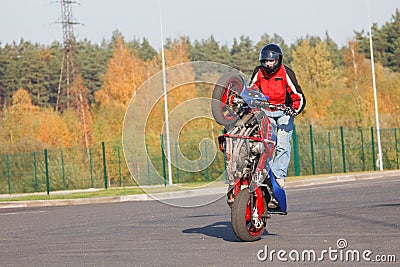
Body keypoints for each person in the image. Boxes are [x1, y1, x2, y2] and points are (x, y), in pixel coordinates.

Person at [249, 43, 306, 188]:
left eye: (271, 61)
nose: (268, 64)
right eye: (265, 61)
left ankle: (279, 175)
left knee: (282, 144)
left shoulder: (286, 72)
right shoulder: (259, 72)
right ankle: (265, 173)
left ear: (278, 60)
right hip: (267, 110)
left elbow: (298, 94)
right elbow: (252, 89)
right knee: (267, 143)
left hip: (284, 111)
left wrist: (295, 109)